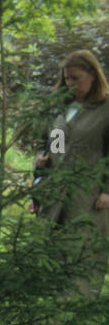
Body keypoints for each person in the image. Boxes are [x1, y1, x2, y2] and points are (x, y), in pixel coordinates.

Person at [34, 49, 109, 297]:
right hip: (55, 191)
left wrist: (107, 191)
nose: (70, 83)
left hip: (89, 195)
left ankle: (77, 307)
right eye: (67, 78)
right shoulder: (59, 108)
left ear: (93, 76)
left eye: (76, 78)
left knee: (81, 248)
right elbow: (51, 144)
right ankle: (47, 302)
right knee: (51, 245)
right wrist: (41, 166)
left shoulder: (105, 109)